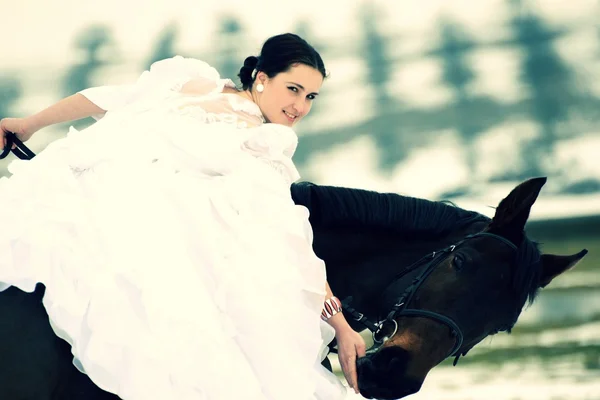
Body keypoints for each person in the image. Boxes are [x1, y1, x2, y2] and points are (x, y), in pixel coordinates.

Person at [0, 33, 365, 399]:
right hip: (136, 219)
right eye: (294, 89)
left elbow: (104, 98)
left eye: (310, 97)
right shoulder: (262, 140)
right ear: (262, 78)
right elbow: (293, 242)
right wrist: (338, 321)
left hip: (88, 196)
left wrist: (29, 124)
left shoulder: (193, 83)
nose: (300, 106)